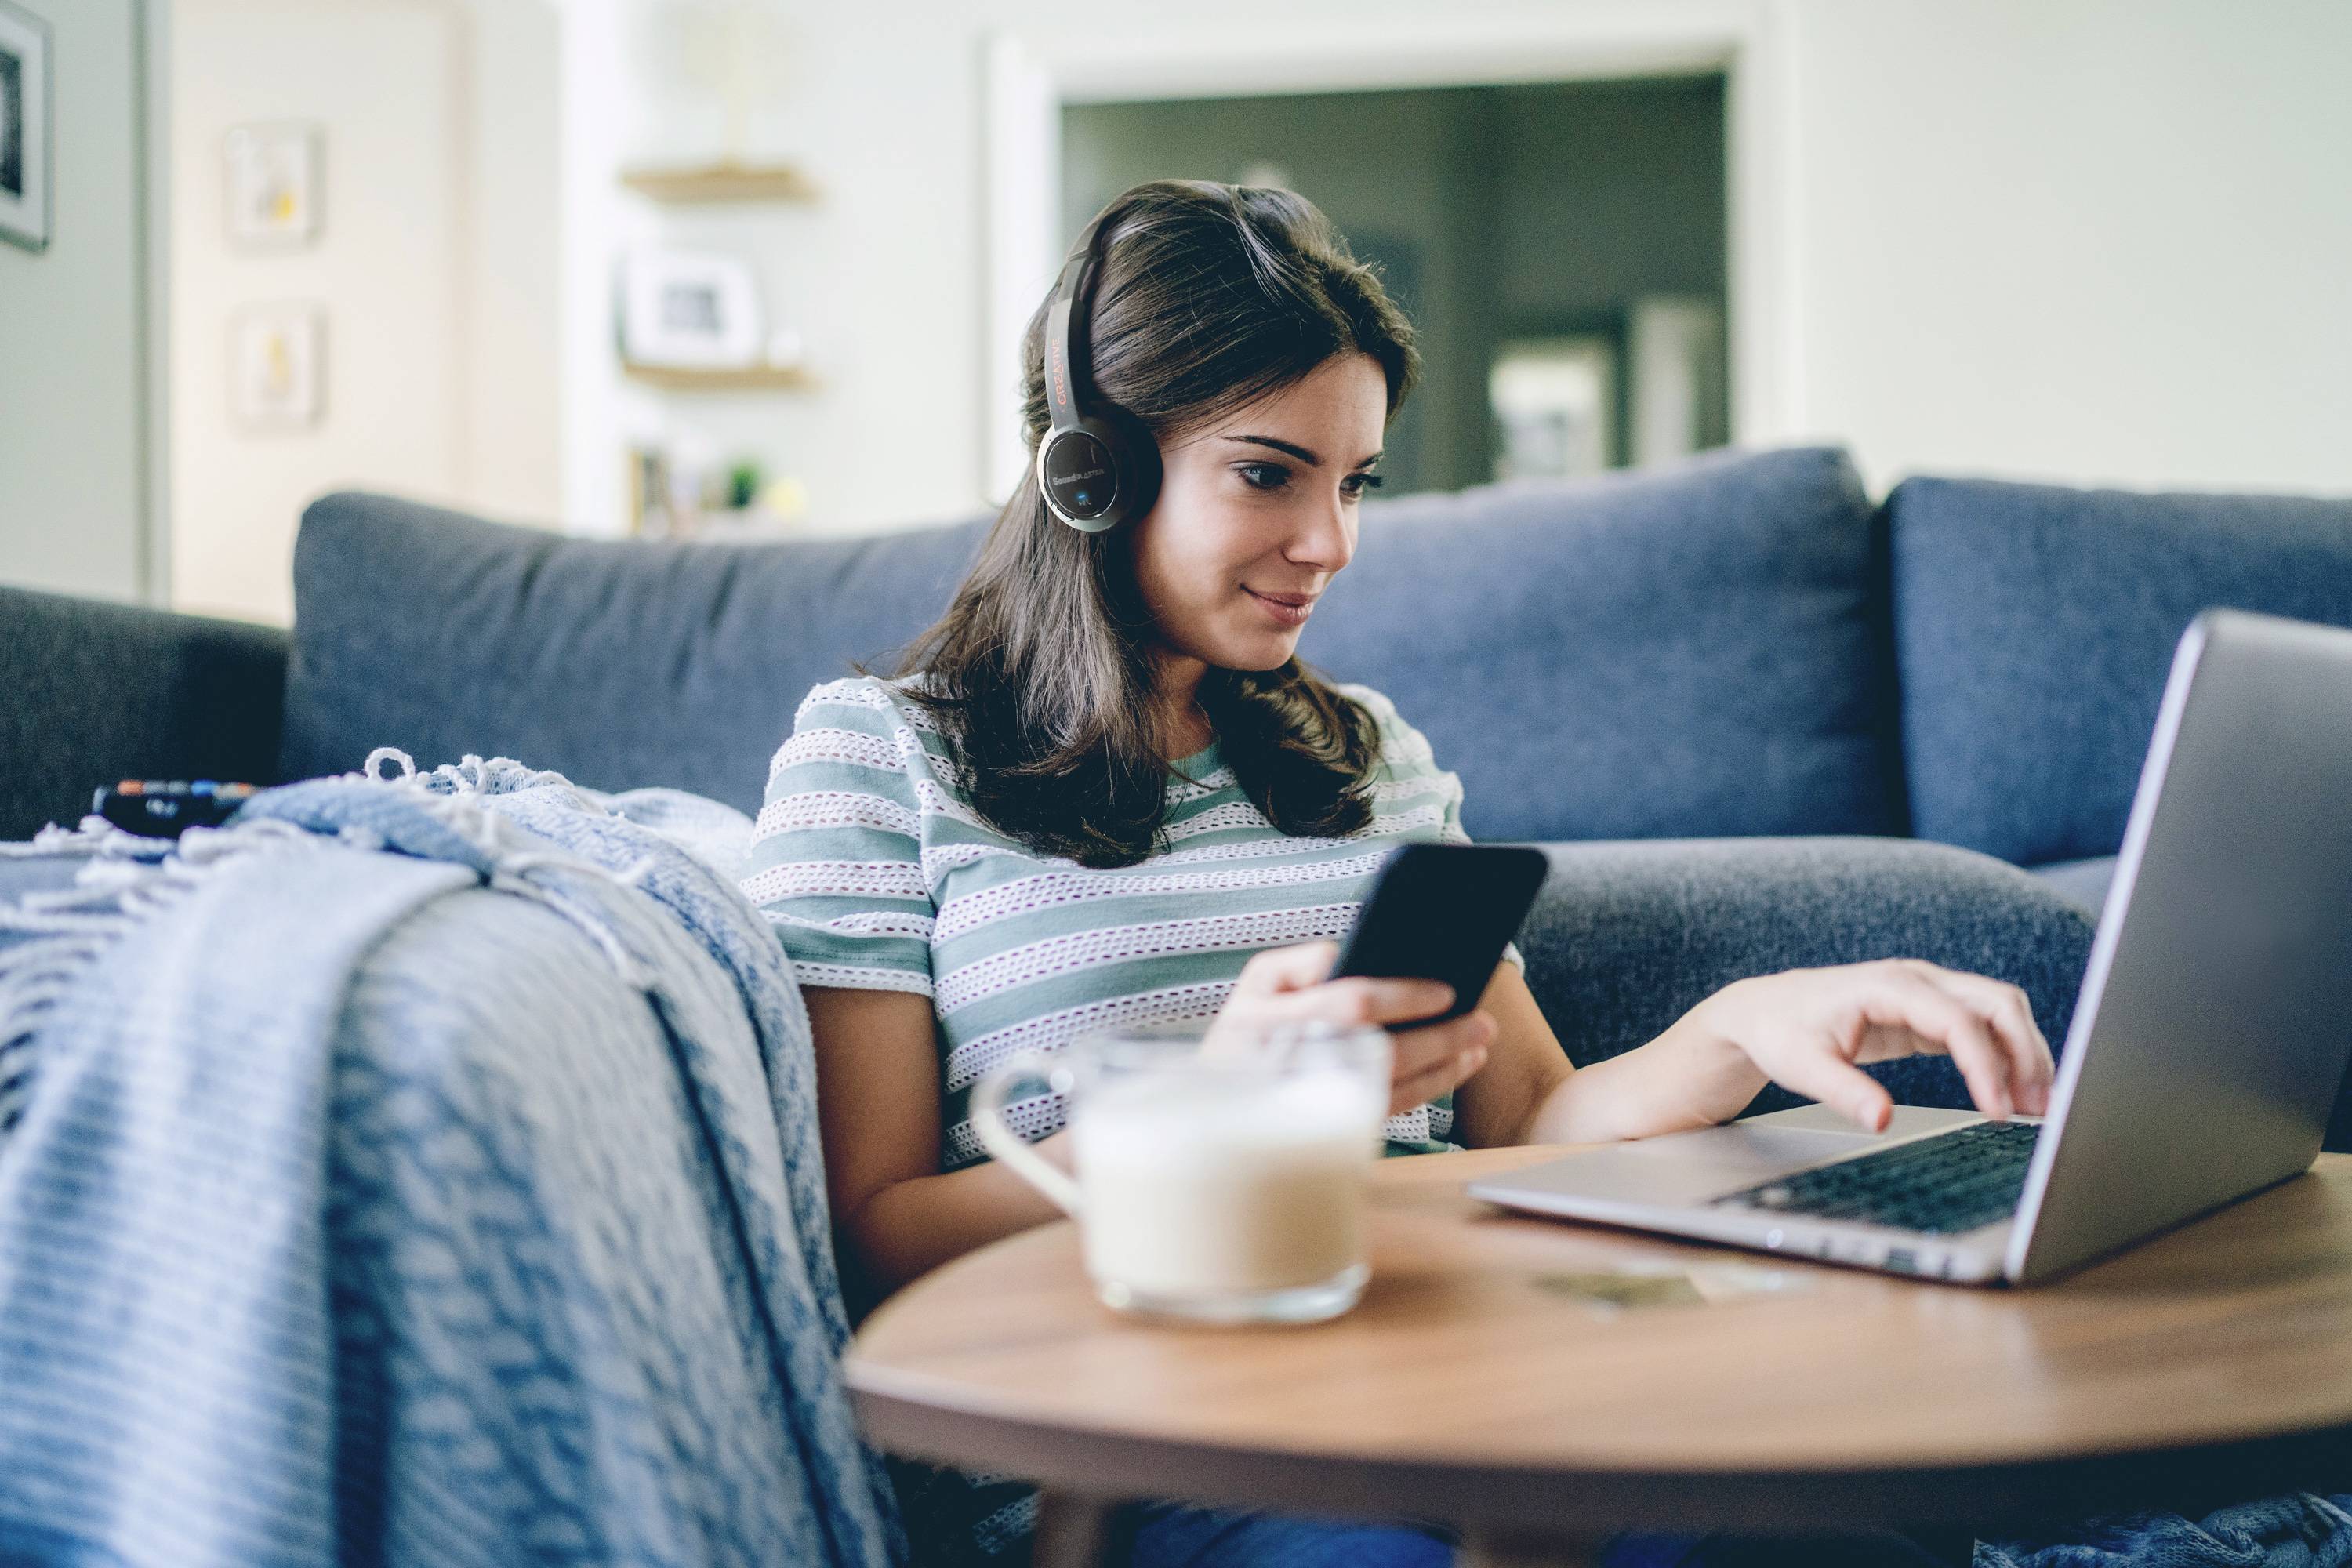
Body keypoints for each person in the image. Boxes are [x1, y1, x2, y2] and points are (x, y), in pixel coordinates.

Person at [737, 179, 2050, 1568]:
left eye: (1353, 480)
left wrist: (1737, 1031)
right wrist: (1212, 1107)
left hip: (1464, 1385)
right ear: (1094, 470)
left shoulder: (1367, 754)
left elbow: (1531, 1117)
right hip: (1148, 1446)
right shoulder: (877, 759)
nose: (1332, 545)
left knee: (1846, 1547)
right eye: (1269, 473)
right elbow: (870, 1243)